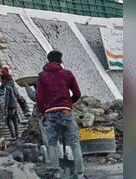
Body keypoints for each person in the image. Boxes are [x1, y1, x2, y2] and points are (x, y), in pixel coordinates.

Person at [36, 50, 84, 179]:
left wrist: (42, 112)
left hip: (50, 113)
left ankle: (56, 171)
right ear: (60, 60)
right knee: (74, 142)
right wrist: (69, 103)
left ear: (48, 60)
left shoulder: (42, 76)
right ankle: (79, 173)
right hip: (65, 111)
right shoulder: (67, 74)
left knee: (52, 142)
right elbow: (77, 94)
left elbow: (39, 97)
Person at [0, 68, 20, 140]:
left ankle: (12, 135)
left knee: (8, 120)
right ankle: (17, 135)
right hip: (15, 104)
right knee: (15, 119)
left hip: (10, 106)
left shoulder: (7, 87)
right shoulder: (12, 83)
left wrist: (5, 108)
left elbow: (7, 98)